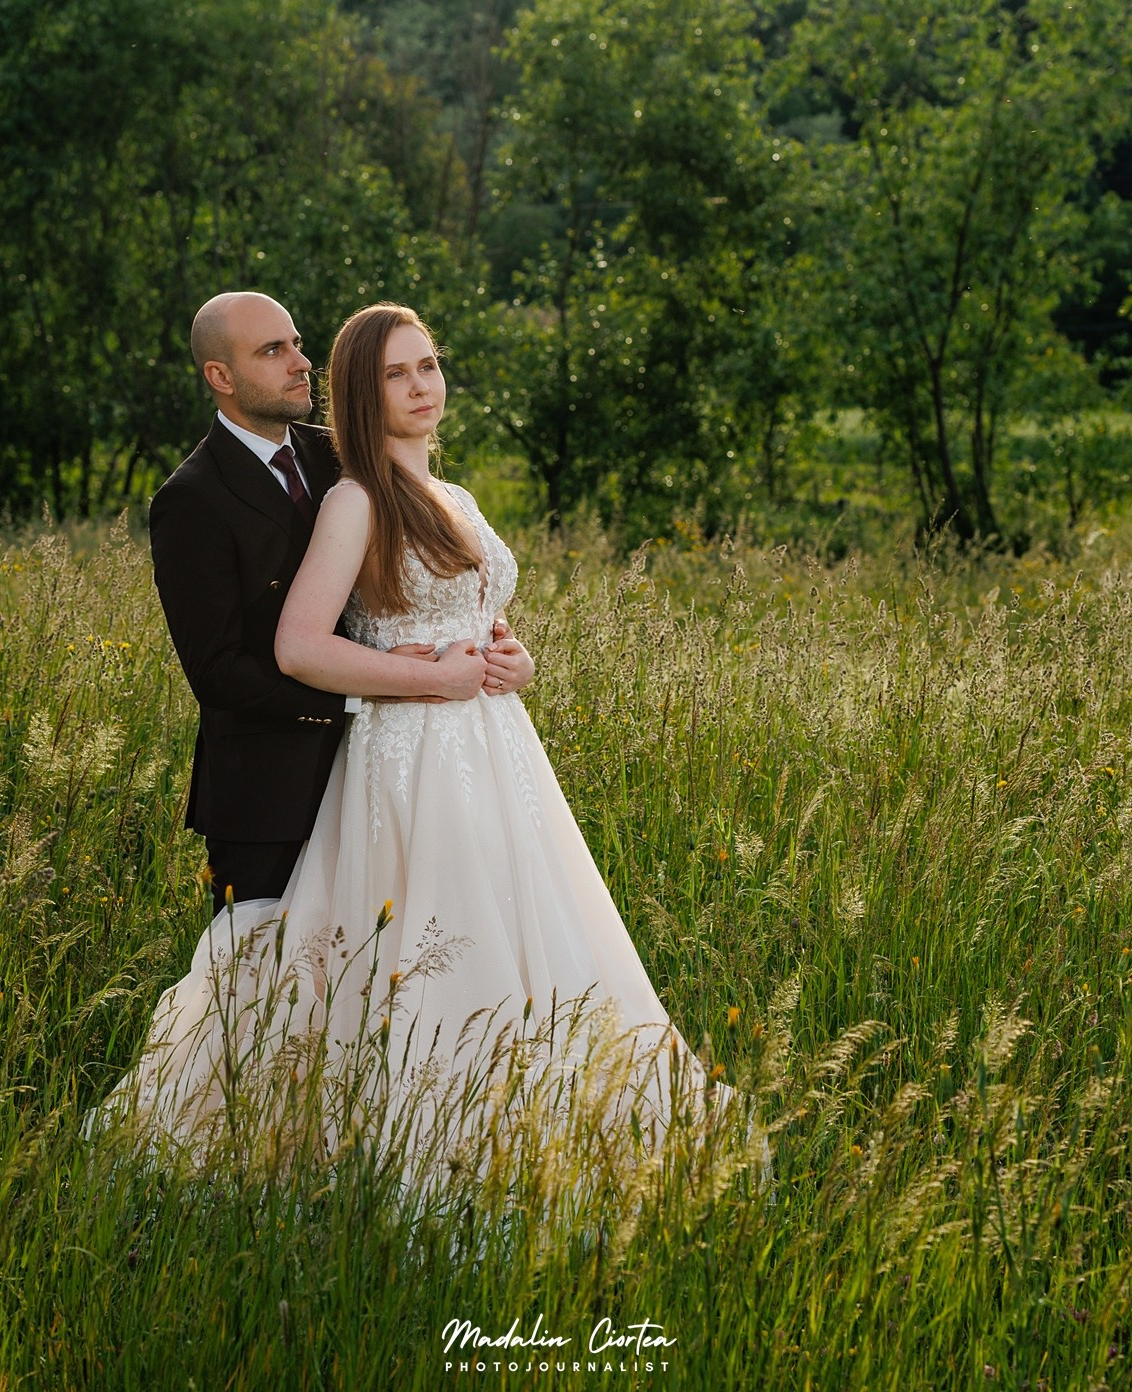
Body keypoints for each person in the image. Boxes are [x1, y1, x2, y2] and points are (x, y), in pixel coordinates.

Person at [102, 301, 730, 1175]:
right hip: (300, 768)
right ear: (221, 375)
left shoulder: (358, 462)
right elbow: (237, 665)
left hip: (487, 747)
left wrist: (510, 657)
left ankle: (525, 1112)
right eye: (394, 373)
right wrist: (405, 684)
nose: (299, 362)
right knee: (292, 964)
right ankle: (283, 1139)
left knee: (498, 929)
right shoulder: (209, 497)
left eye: (427, 365)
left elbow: (460, 601)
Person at [143, 291, 534, 906]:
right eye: (273, 350)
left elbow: (428, 575)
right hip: (274, 787)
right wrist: (380, 688)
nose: (301, 362)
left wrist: (498, 649)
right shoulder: (192, 499)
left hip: (409, 760)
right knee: (272, 959)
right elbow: (218, 673)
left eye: (297, 344)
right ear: (220, 376)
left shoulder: (345, 452)